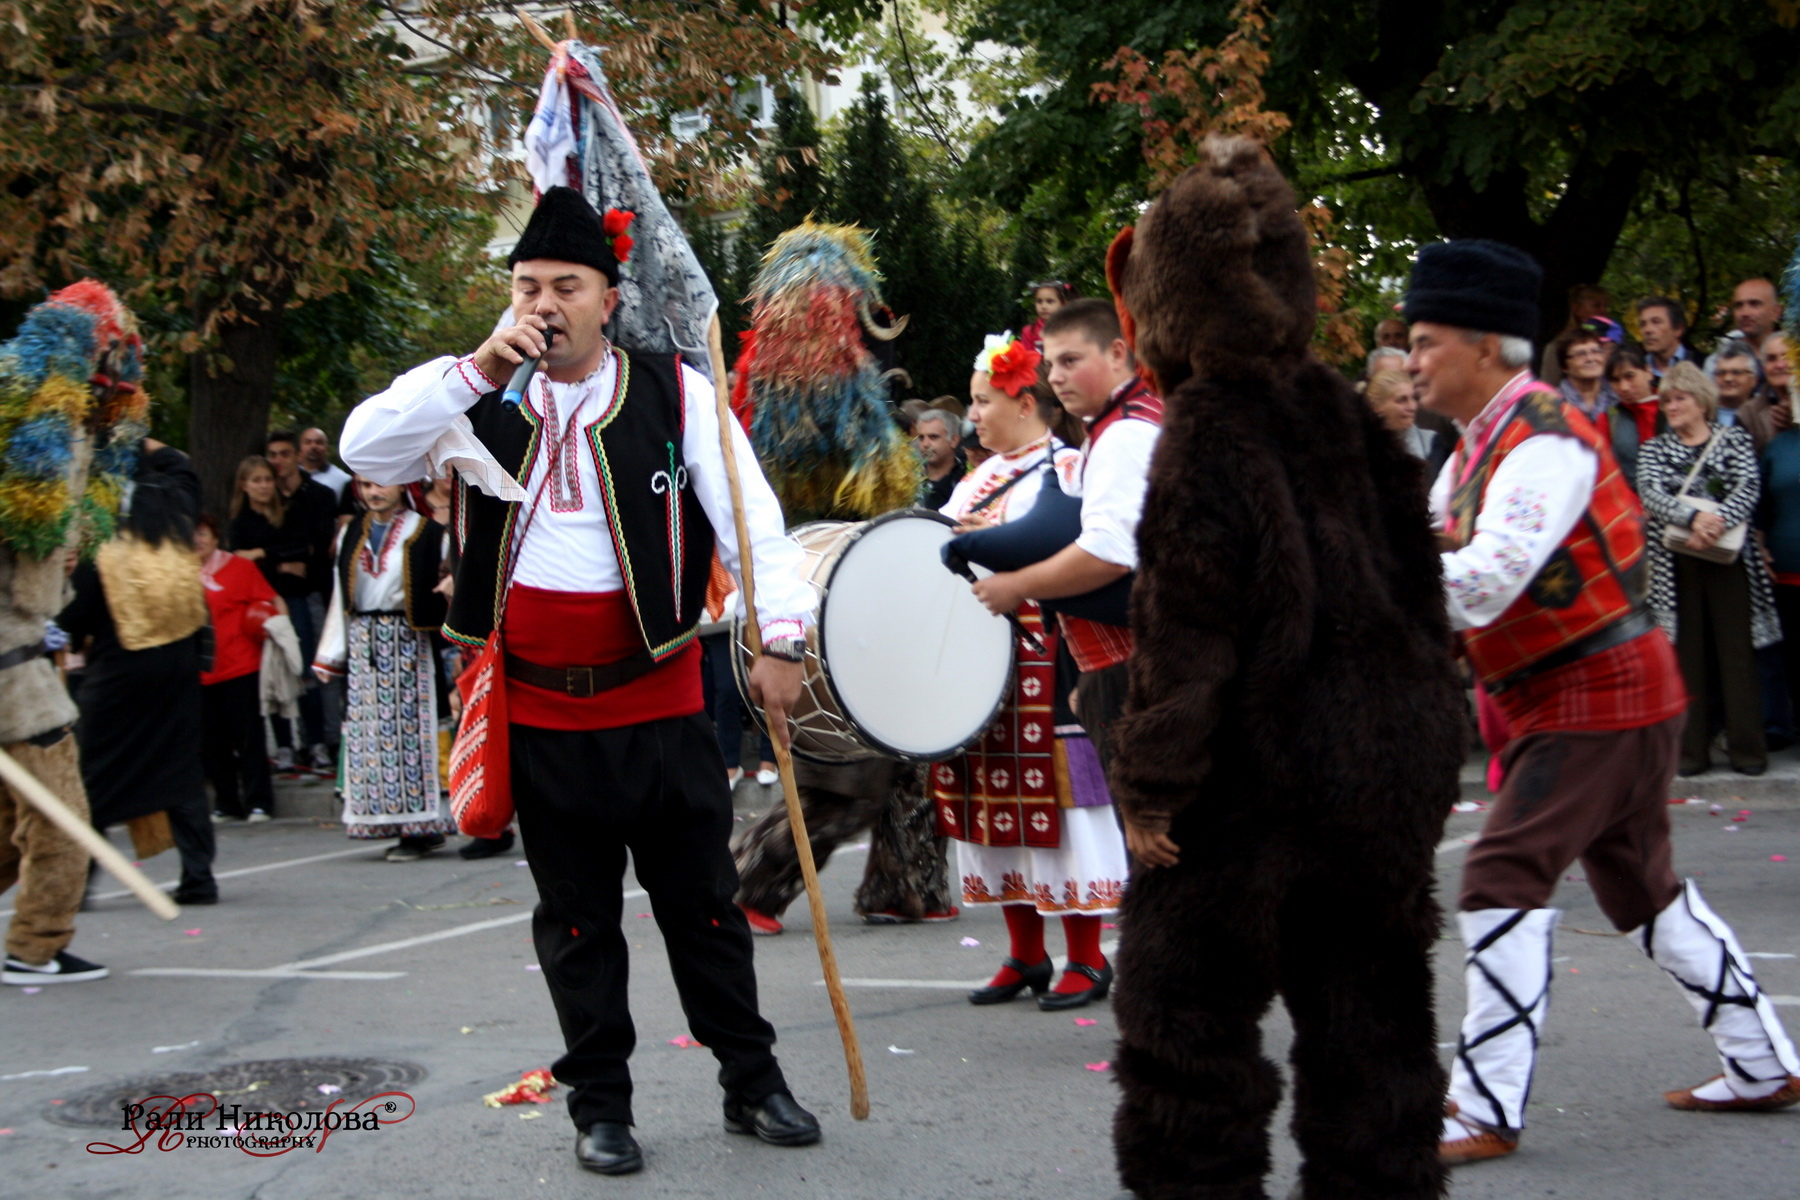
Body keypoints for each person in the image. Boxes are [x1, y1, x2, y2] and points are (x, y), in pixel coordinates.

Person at [342, 185, 820, 1173]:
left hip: (661, 697)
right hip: (541, 710)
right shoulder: (471, 396)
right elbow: (364, 448)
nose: (545, 304)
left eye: (567, 285)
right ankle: (601, 1106)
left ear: (610, 298)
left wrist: (780, 642)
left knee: (705, 907)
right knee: (575, 921)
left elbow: (754, 522)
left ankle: (752, 1080)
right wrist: (481, 364)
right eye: (528, 286)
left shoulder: (674, 391)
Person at [1099, 138, 1463, 1200]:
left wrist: (1151, 788)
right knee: (1374, 1029)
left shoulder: (1204, 430)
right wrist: (1425, 754)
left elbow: (1188, 631)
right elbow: (1423, 595)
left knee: (1185, 1028)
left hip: (1256, 785)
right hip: (1382, 775)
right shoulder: (1346, 412)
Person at [1406, 243, 1799, 1168]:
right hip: (1589, 692)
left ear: (1486, 345)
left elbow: (1486, 579)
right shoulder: (1477, 443)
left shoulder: (1542, 436)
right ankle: (1761, 1063)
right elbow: (1427, 550)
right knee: (1644, 888)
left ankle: (1483, 1106)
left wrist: (1361, 580)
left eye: (1426, 341)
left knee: (1501, 876)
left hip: (1594, 693)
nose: (1411, 361)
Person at [934, 337, 1127, 1011]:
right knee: (992, 805)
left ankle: (1087, 957)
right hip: (981, 667)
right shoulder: (973, 480)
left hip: (1048, 656)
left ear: (1023, 402)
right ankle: (1024, 953)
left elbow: (1073, 551)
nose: (973, 416)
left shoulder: (1069, 466)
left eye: (983, 401)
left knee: (1063, 807)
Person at [979, 298, 1159, 791]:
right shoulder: (1120, 425)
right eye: (1051, 363)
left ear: (1117, 353)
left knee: (1151, 825)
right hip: (1128, 665)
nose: (1055, 377)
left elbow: (1108, 554)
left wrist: (1017, 584)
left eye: (1070, 360)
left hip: (1136, 665)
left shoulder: (1122, 435)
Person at [59, 443, 218, 907]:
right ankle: (198, 876)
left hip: (122, 670)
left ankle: (78, 880)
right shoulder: (178, 517)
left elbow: (76, 615)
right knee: (181, 770)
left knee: (95, 775)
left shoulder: (101, 541)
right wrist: (131, 435)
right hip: (180, 666)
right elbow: (180, 463)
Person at [1637, 362, 1780, 776]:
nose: (1671, 406)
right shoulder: (1654, 449)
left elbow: (1748, 487)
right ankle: (1691, 753)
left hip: (1728, 559)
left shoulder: (1733, 439)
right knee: (1687, 657)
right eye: (1667, 400)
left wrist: (1715, 523)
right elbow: (1651, 493)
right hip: (1676, 563)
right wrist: (1694, 519)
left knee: (1737, 656)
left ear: (1701, 401)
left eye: (1679, 398)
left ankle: (1748, 752)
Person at [312, 478, 457, 859]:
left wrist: (450, 585)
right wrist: (331, 654)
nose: (373, 492)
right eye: (365, 484)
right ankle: (390, 821)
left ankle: (421, 828)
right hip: (364, 643)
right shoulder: (351, 532)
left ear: (401, 485)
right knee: (372, 736)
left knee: (415, 735)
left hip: (410, 643)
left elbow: (454, 576)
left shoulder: (428, 532)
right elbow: (340, 593)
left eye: (381, 483)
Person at [226, 454, 320, 779]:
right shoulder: (239, 524)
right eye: (257, 481)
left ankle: (315, 742)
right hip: (261, 608)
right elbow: (241, 562)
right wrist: (281, 563)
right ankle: (284, 746)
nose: (264, 486)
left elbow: (304, 548)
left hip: (295, 599)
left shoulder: (290, 513)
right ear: (244, 485)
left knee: (304, 669)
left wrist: (263, 554)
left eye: (268, 479)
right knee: (275, 673)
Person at [196, 514, 280, 823]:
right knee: (211, 741)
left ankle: (259, 801)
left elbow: (272, 602)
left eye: (203, 533)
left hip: (241, 665)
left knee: (249, 737)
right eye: (190, 535)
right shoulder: (177, 575)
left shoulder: (240, 568)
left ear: (215, 537)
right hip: (201, 671)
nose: (197, 540)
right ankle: (226, 802)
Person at [264, 429, 338, 773]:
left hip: (313, 592)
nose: (278, 461)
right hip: (276, 594)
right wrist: (280, 559)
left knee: (317, 668)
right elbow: (262, 544)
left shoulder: (319, 495)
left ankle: (323, 741)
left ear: (296, 455)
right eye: (272, 455)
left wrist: (273, 553)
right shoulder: (268, 498)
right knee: (283, 668)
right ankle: (292, 745)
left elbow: (315, 545)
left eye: (284, 453)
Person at [1366, 367, 1451, 480]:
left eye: (1414, 398)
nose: (1412, 407)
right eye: (1402, 400)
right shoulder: (1359, 446)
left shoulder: (1431, 443)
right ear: (1376, 406)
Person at [1603, 342, 1664, 492]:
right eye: (1616, 380)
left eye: (1629, 376)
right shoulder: (1609, 418)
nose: (1623, 387)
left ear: (1648, 372)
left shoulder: (1674, 409)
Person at [1538, 283, 1611, 385]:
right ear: (1577, 309)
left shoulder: (1611, 342)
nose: (1603, 311)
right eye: (1596, 306)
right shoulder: (1557, 346)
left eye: (1605, 306)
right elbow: (1548, 385)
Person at [1552, 325, 1619, 422]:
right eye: (1581, 354)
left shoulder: (1618, 395)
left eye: (1596, 351)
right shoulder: (1553, 403)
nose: (1590, 359)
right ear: (1565, 366)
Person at [914, 407, 965, 511]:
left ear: (954, 441)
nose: (925, 444)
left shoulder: (967, 480)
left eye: (933, 437)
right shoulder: (907, 477)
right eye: (921, 437)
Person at [1638, 295, 1695, 382]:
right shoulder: (1637, 370)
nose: (1647, 330)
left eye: (1656, 322)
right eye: (1643, 324)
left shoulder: (1704, 366)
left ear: (1678, 329)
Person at [1018, 279, 1075, 354]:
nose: (1043, 306)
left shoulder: (1074, 328)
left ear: (1063, 304)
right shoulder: (1029, 331)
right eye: (1039, 301)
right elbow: (1026, 357)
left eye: (1050, 301)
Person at [300, 427, 352, 501]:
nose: (313, 446)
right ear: (299, 447)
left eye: (319, 442)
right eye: (308, 442)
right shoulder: (290, 476)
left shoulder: (343, 480)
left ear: (327, 448)